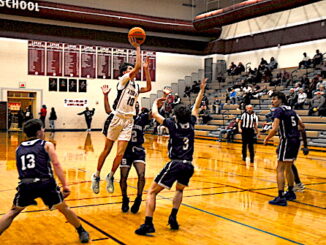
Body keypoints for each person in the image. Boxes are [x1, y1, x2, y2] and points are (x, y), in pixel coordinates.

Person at [135, 77, 207, 236]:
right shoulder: (192, 122)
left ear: (175, 116)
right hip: (189, 165)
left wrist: (156, 102)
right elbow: (196, 106)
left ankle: (148, 224)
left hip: (176, 163)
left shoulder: (172, 124)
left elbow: (154, 114)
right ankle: (173, 217)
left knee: (152, 192)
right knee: (179, 190)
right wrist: (201, 90)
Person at [0, 119, 89, 243]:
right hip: (45, 183)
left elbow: (20, 168)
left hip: (26, 184)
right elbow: (56, 164)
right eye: (42, 128)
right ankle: (81, 231)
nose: (44, 131)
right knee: (63, 207)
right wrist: (65, 186)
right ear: (38, 132)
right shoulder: (46, 144)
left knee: (12, 212)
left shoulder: (18, 148)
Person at [92, 40, 152, 195]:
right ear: (125, 73)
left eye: (132, 69)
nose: (133, 71)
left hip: (129, 120)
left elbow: (149, 87)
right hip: (117, 118)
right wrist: (138, 48)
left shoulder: (136, 86)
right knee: (107, 150)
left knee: (120, 153)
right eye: (130, 69)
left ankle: (110, 176)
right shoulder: (123, 81)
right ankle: (96, 175)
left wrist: (146, 70)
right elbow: (137, 67)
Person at [264, 92, 309, 206]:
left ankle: (280, 196)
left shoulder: (279, 111)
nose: (272, 101)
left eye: (274, 99)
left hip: (287, 140)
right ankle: (290, 192)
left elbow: (274, 129)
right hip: (296, 140)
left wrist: (267, 138)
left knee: (280, 168)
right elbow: (302, 126)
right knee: (288, 167)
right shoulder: (292, 111)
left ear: (280, 100)